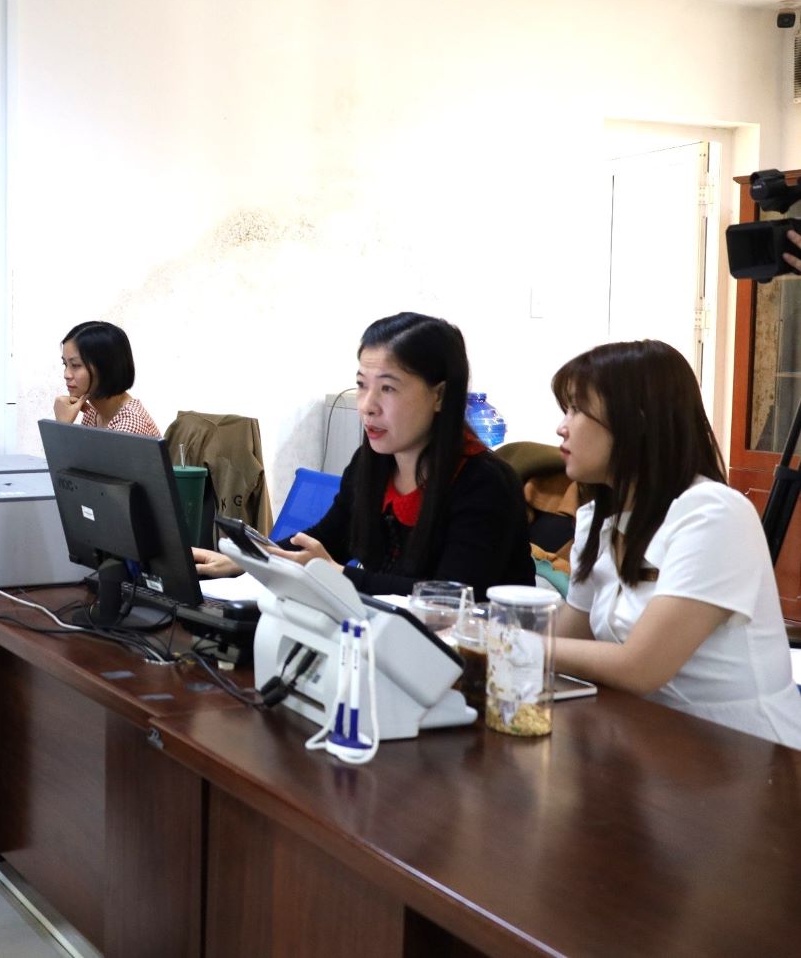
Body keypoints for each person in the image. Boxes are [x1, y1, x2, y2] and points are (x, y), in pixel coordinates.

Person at [549, 339, 801, 748]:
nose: (562, 427)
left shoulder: (712, 513)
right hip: (652, 744)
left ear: (637, 422)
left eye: (577, 409)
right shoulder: (598, 520)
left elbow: (640, 668)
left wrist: (515, 644)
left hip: (749, 753)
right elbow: (569, 645)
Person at [193, 312, 534, 598]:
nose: (368, 406)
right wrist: (248, 560)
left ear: (440, 396)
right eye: (361, 385)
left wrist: (337, 575)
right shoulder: (370, 464)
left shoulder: (485, 482)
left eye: (387, 388)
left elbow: (450, 599)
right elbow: (326, 539)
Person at [51, 320, 161, 436]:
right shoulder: (93, 413)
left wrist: (62, 427)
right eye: (65, 364)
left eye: (76, 365)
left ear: (106, 368)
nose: (66, 374)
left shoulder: (131, 425)